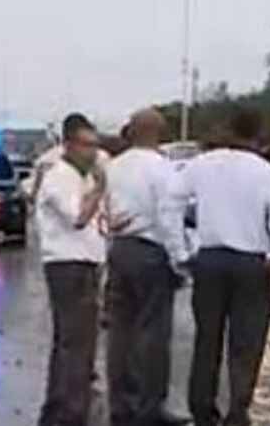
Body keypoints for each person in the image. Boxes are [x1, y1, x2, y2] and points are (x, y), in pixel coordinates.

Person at [170, 108, 270, 426]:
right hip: (251, 262)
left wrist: (181, 249)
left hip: (209, 260)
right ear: (256, 136)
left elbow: (171, 202)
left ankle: (202, 408)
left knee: (207, 339)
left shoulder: (202, 164)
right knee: (247, 341)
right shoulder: (266, 172)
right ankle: (238, 410)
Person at [105, 108, 191, 426]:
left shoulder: (114, 167)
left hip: (120, 249)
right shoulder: (163, 170)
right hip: (151, 252)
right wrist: (180, 259)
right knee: (152, 333)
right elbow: (169, 218)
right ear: (159, 132)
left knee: (120, 331)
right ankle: (149, 407)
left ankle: (120, 403)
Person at [36, 114, 106, 426]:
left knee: (71, 342)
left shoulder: (81, 177)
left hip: (84, 264)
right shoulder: (59, 177)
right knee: (77, 345)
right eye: (87, 145)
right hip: (69, 266)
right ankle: (70, 414)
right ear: (68, 145)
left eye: (96, 145)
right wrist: (101, 187)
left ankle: (58, 409)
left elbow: (93, 220)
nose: (93, 152)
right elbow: (77, 217)